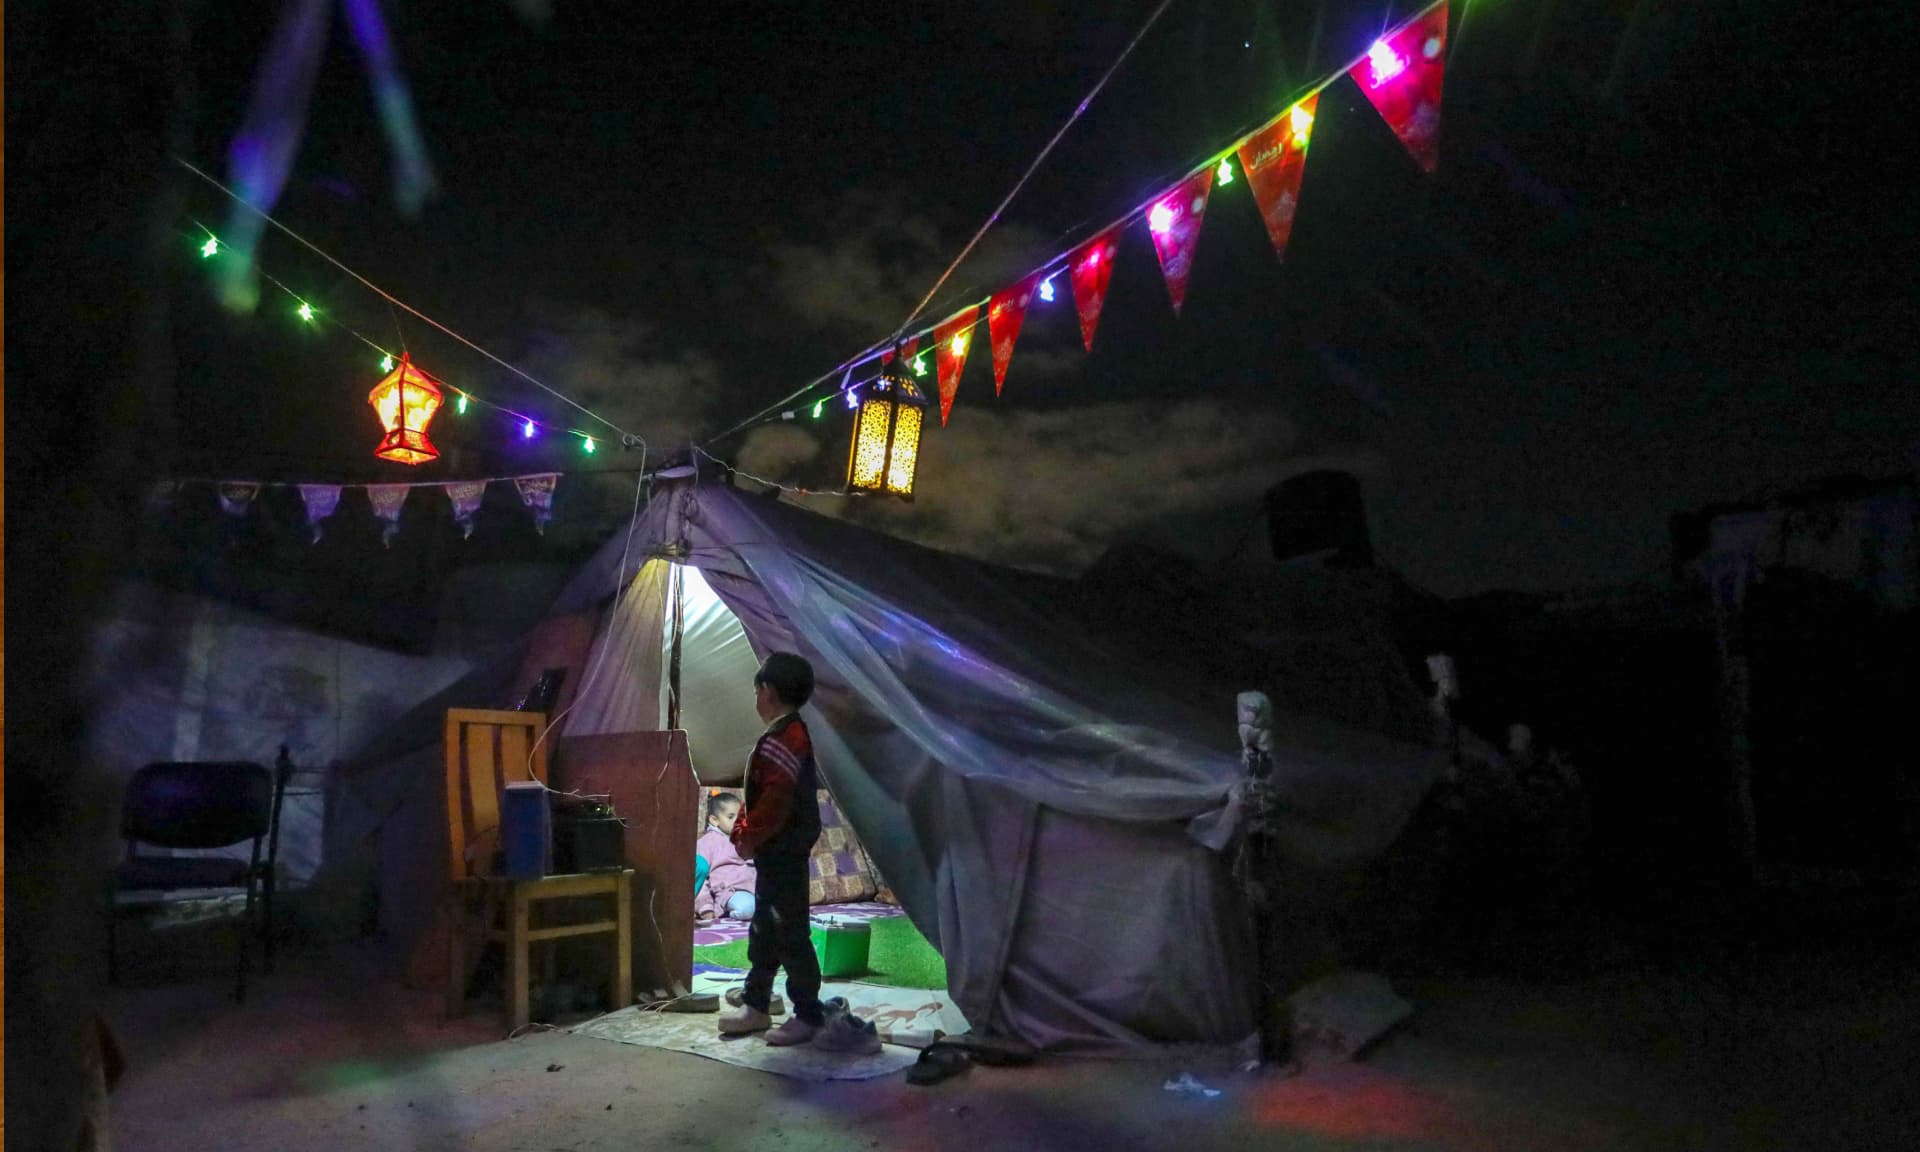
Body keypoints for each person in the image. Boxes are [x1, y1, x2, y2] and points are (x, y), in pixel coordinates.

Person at [717, 653, 826, 1045]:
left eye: (757, 691)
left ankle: (809, 1014)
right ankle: (757, 1004)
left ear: (767, 691)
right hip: (774, 853)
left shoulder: (787, 740)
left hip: (783, 853)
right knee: (764, 930)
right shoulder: (784, 735)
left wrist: (746, 836)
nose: (756, 699)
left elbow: (774, 803)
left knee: (789, 932)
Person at [696, 793, 757, 922]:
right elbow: (699, 877)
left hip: (755, 889)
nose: (739, 821)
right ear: (714, 820)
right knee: (748, 908)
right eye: (731, 817)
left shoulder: (746, 839)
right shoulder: (707, 843)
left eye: (741, 817)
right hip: (731, 893)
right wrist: (705, 907)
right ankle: (727, 916)